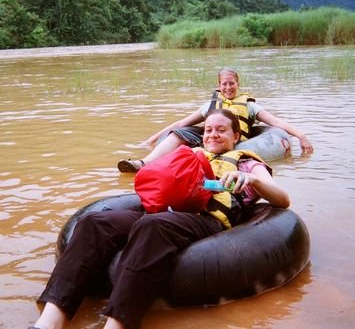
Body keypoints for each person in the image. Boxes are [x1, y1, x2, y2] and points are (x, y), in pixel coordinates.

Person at [29, 109, 290, 329]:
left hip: (205, 219)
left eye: (221, 130)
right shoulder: (190, 154)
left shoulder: (246, 163)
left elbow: (282, 200)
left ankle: (115, 324)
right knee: (94, 223)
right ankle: (50, 321)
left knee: (151, 225)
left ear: (236, 135)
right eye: (208, 130)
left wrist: (254, 180)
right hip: (162, 211)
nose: (212, 134)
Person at [117, 67, 313, 173]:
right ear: (218, 86)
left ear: (238, 84)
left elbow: (276, 122)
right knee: (179, 134)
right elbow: (181, 124)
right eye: (224, 84)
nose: (228, 88)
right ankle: (143, 164)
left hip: (232, 142)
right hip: (208, 138)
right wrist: (150, 140)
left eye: (232, 83)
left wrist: (301, 136)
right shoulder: (209, 105)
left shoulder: (250, 106)